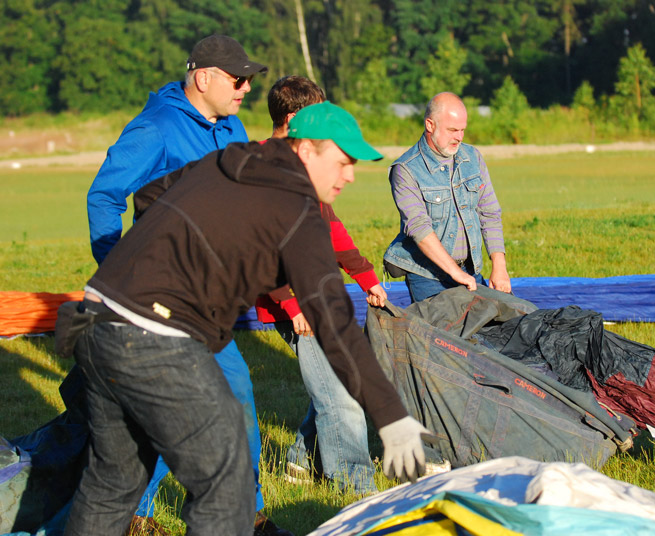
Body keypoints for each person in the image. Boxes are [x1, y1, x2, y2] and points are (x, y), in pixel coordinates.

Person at [62, 101, 430, 536]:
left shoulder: (224, 161)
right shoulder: (297, 208)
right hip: (156, 339)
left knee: (112, 482)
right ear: (306, 150)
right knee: (227, 483)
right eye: (343, 161)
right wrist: (391, 416)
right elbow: (332, 321)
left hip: (95, 319)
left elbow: (148, 196)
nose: (349, 175)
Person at [84, 35, 279, 535]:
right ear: (204, 77)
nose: (246, 89)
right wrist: (119, 270)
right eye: (238, 80)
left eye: (250, 80)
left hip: (207, 301)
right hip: (155, 303)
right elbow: (104, 196)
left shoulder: (231, 125)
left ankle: (246, 515)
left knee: (235, 398)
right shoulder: (157, 128)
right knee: (162, 410)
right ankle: (135, 517)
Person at [255, 76, 379, 494]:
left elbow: (330, 226)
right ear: (293, 120)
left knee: (333, 379)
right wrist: (291, 304)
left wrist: (364, 275)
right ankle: (356, 489)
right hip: (296, 300)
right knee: (342, 390)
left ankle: (299, 461)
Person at [383, 92, 512, 303]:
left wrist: (499, 267)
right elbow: (419, 229)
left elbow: (489, 212)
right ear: (430, 125)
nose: (459, 137)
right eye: (452, 130)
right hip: (427, 276)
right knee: (443, 334)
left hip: (470, 271)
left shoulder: (472, 157)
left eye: (462, 130)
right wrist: (455, 273)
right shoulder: (405, 170)